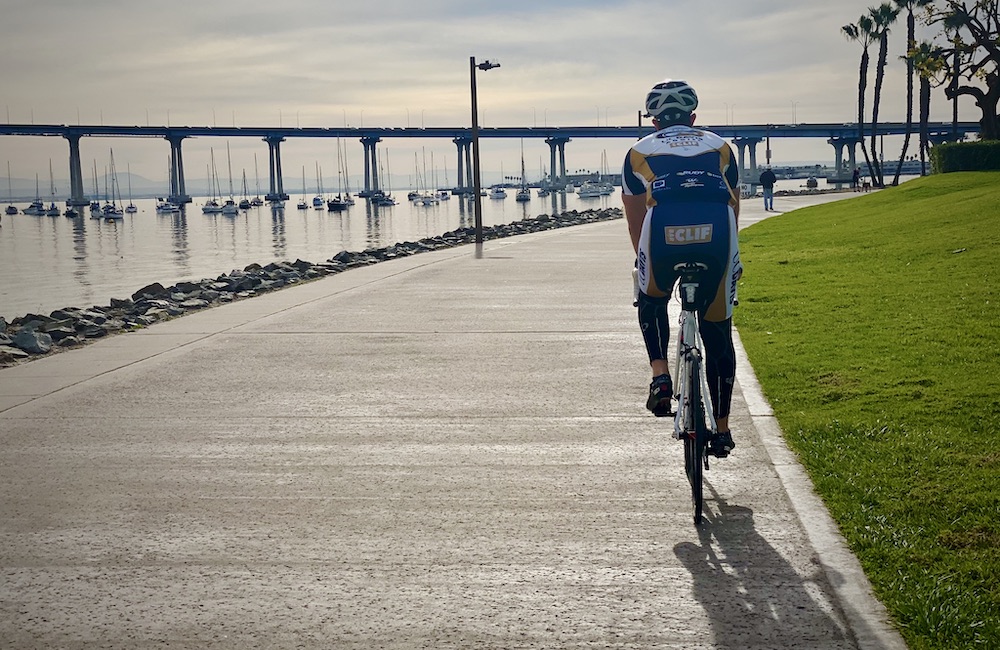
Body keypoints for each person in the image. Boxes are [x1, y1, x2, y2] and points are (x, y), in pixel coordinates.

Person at [621, 79, 742, 458]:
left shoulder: (638, 151)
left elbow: (635, 218)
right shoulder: (720, 146)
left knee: (651, 298)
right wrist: (732, 261)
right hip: (718, 234)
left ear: (653, 121)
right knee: (718, 331)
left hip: (662, 236)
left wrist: (642, 263)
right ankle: (721, 430)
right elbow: (734, 205)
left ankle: (660, 376)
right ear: (693, 118)